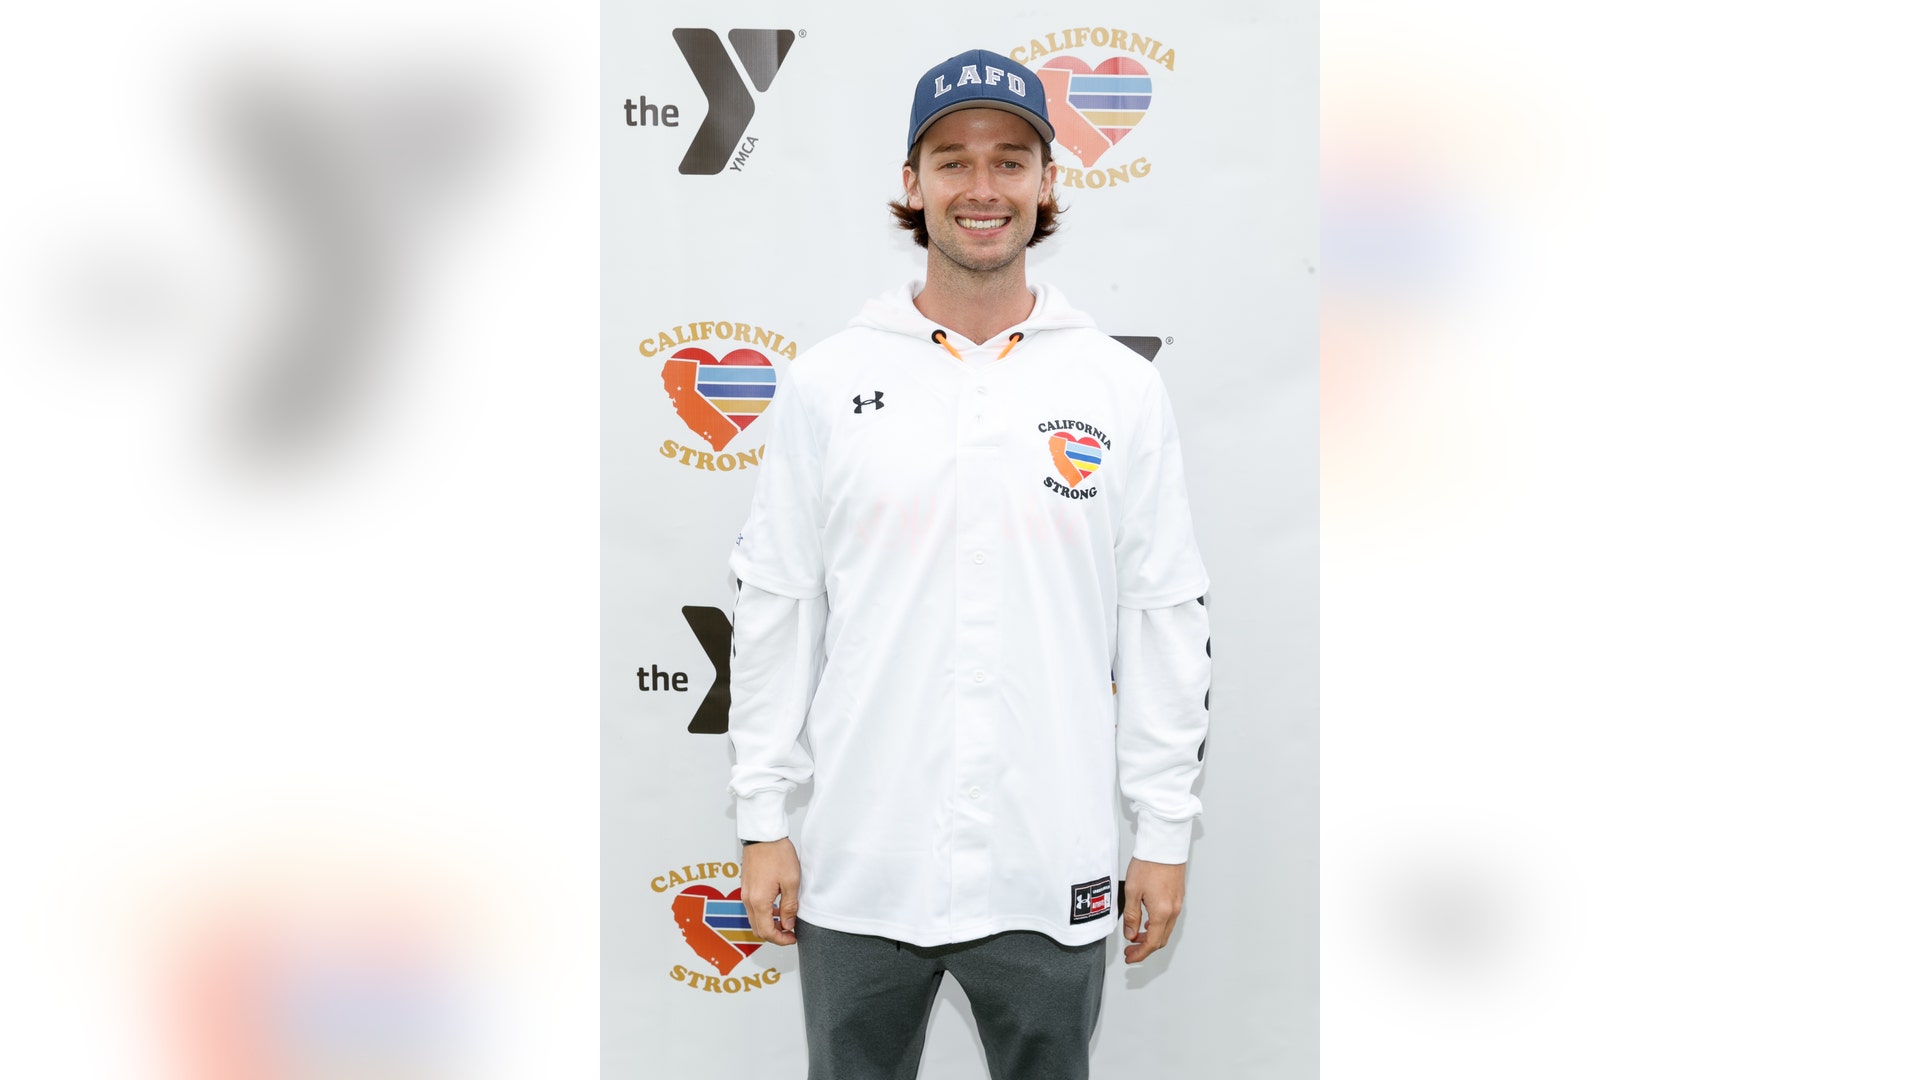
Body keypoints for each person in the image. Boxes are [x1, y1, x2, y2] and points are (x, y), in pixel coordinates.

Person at [725, 47, 1211, 1080]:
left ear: (1046, 184)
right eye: (952, 161)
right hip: (865, 859)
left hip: (1051, 856)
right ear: (912, 183)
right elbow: (776, 607)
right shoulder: (828, 382)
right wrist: (763, 817)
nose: (981, 189)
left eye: (1009, 161)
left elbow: (1162, 613)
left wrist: (1163, 830)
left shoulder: (1117, 388)